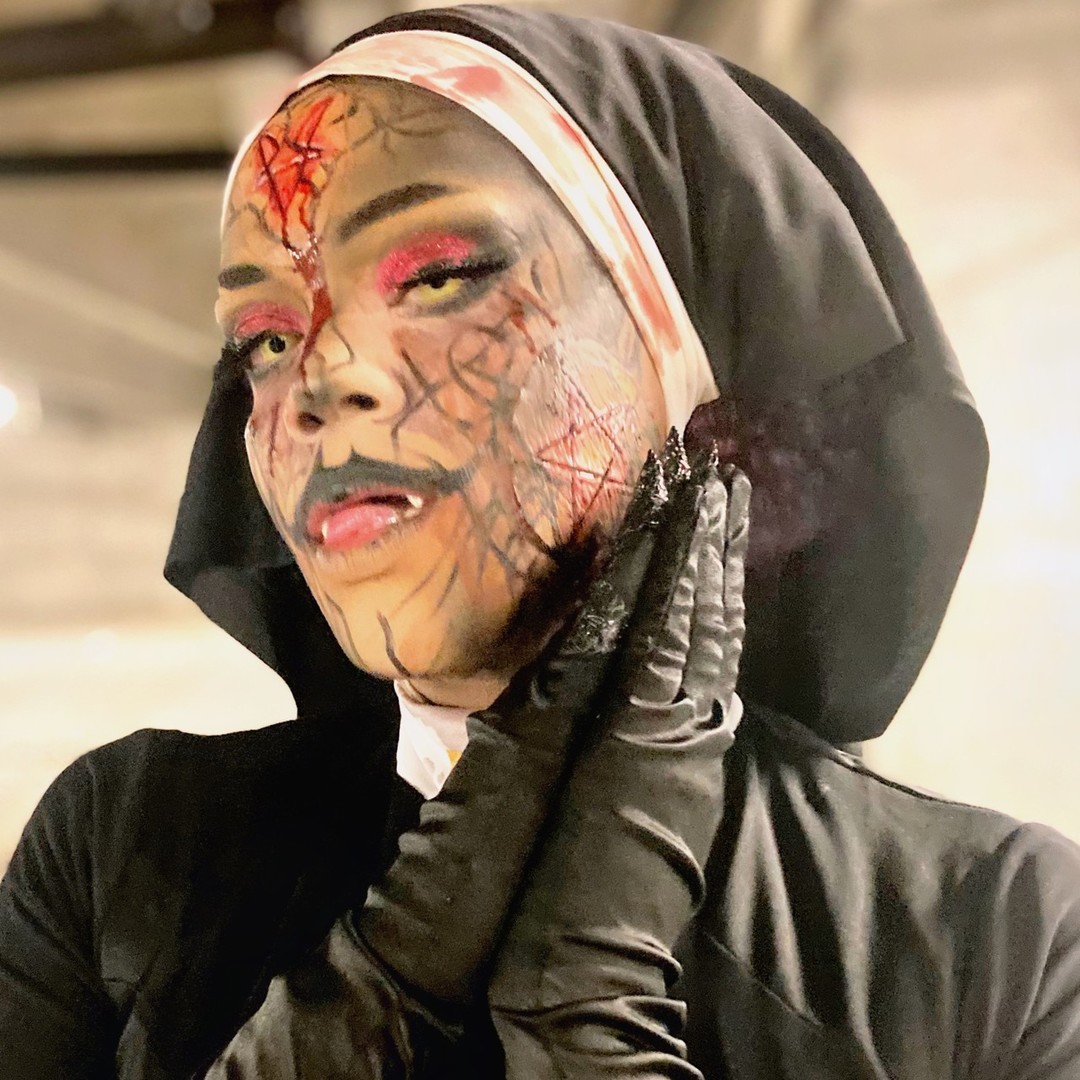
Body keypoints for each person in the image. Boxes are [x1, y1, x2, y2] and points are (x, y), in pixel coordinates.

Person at [2, 6, 1079, 1079]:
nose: (319, 377)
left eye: (439, 276)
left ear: (678, 355)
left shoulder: (990, 938)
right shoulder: (128, 856)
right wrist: (388, 975)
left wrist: (587, 1016)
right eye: (266, 339)